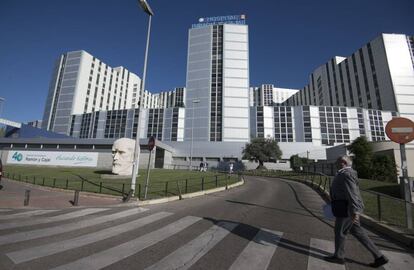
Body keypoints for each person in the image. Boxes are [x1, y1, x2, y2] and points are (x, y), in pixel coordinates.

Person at [324, 155, 388, 267]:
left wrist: (355, 211)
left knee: (340, 232)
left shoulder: (346, 174)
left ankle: (339, 256)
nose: (335, 163)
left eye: (337, 161)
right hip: (346, 207)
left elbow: (352, 193)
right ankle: (379, 257)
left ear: (343, 162)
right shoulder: (343, 173)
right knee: (358, 232)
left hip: (347, 209)